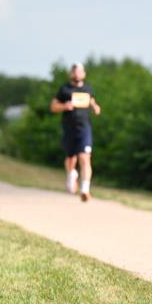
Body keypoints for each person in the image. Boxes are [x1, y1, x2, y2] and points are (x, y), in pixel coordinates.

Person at [51, 63, 101, 202]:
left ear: (84, 74)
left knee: (85, 157)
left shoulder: (88, 89)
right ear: (70, 74)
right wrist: (64, 106)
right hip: (69, 129)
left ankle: (85, 189)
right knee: (70, 159)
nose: (76, 74)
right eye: (74, 71)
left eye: (79, 71)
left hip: (84, 128)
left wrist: (95, 107)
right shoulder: (65, 89)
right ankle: (71, 174)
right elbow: (53, 106)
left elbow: (92, 102)